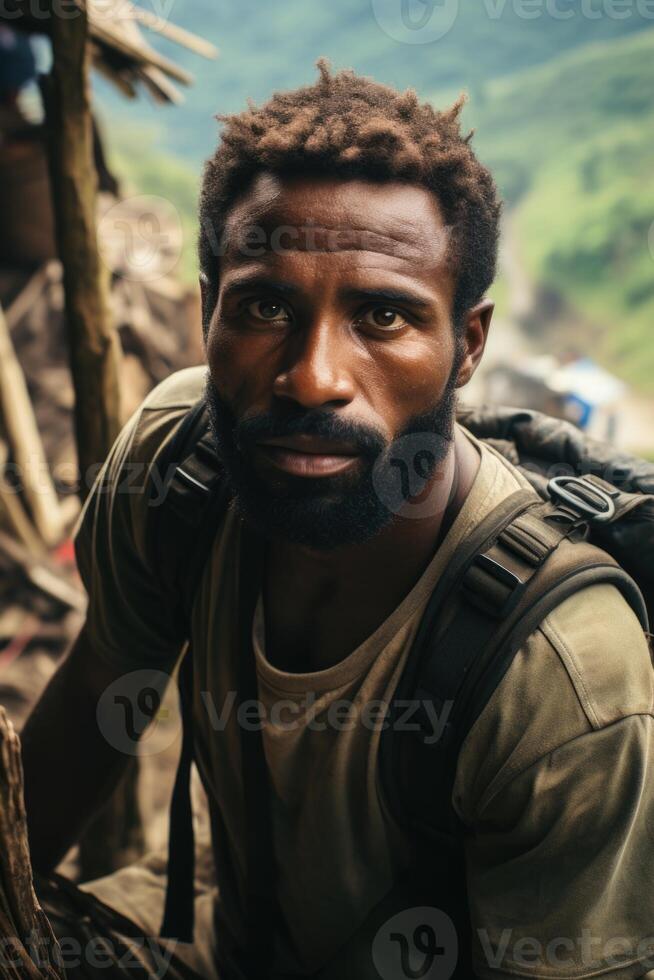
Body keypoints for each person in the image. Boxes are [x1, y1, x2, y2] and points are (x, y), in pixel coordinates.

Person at [20, 62, 654, 979]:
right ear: (207, 312)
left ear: (467, 347)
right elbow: (95, 698)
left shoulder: (562, 681)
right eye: (266, 306)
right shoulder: (175, 467)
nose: (313, 376)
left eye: (384, 316)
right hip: (225, 935)